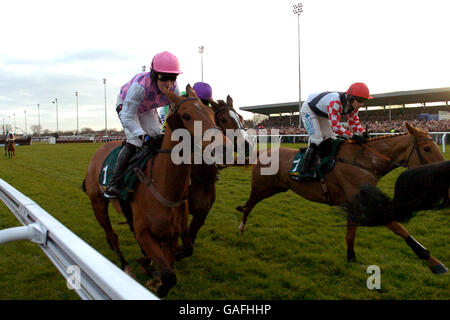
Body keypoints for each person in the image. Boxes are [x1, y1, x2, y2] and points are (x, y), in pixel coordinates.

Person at [103, 51, 182, 199]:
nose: (169, 84)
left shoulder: (174, 88)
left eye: (173, 78)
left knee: (158, 137)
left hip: (147, 108)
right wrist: (142, 135)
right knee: (136, 141)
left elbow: (174, 110)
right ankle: (114, 183)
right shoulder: (139, 86)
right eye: (164, 78)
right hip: (127, 107)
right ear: (154, 75)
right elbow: (128, 116)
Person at [299, 82, 373, 181]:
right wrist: (352, 135)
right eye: (360, 100)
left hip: (322, 113)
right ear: (350, 97)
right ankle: (304, 171)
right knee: (317, 139)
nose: (362, 104)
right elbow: (336, 127)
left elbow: (353, 123)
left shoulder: (353, 107)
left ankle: (320, 160)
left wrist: (363, 132)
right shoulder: (335, 102)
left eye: (364, 100)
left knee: (330, 138)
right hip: (308, 110)